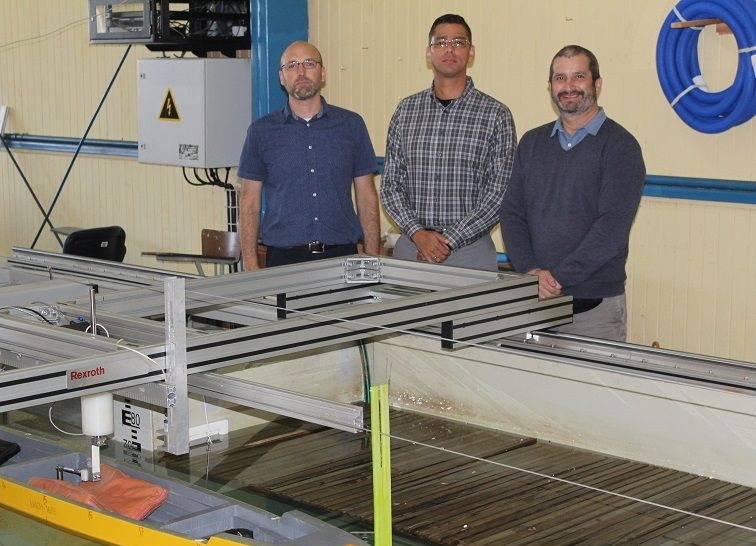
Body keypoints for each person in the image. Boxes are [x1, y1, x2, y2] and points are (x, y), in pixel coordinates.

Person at [500, 45, 646, 342]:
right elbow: (512, 213)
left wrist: (556, 279)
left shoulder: (620, 147)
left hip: (593, 311)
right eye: (560, 78)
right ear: (551, 87)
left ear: (597, 84)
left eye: (578, 76)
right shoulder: (532, 143)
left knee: (595, 389)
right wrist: (531, 272)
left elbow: (612, 228)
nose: (569, 87)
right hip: (534, 303)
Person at [380, 14, 515, 271]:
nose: (449, 49)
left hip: (470, 252)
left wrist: (449, 241)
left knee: (472, 314)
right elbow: (390, 186)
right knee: (409, 313)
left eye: (458, 42)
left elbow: (499, 193)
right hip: (411, 248)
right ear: (429, 53)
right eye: (440, 43)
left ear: (471, 52)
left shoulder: (496, 115)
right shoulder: (405, 111)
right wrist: (419, 234)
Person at [237, 41, 380, 269]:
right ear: (281, 77)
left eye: (309, 63)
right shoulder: (261, 132)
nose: (301, 72)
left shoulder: (351, 126)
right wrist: (250, 264)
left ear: (322, 73)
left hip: (343, 259)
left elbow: (366, 196)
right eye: (292, 65)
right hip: (283, 262)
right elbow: (249, 202)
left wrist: (373, 259)